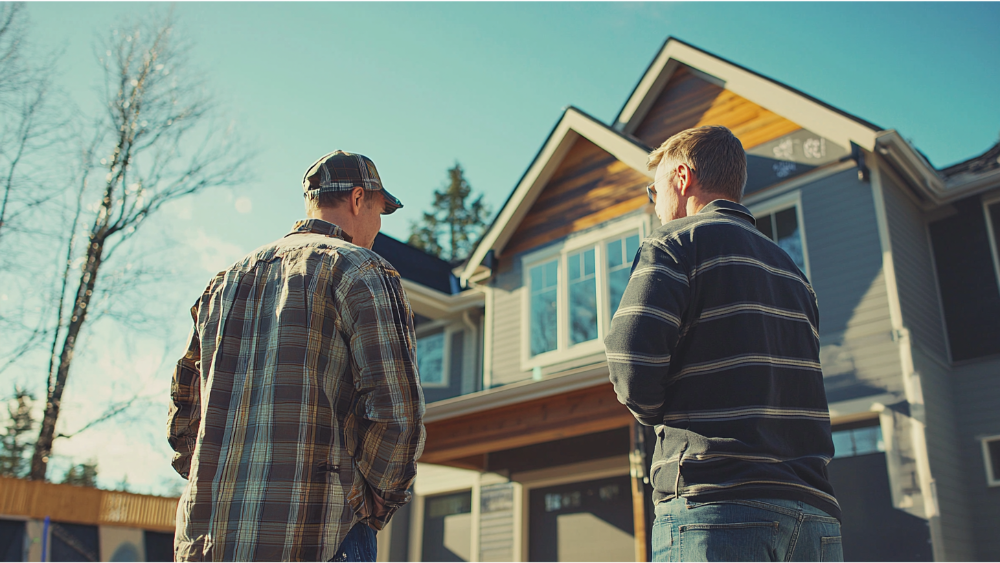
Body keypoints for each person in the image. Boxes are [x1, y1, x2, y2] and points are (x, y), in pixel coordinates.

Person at [168, 151, 425, 563]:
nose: (377, 227)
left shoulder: (223, 284)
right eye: (379, 211)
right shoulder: (361, 270)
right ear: (358, 200)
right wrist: (368, 504)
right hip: (320, 537)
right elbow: (396, 411)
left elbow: (185, 418)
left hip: (208, 543)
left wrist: (216, 482)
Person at [605, 126, 842, 563]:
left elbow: (630, 364)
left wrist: (658, 413)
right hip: (815, 519)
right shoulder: (794, 274)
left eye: (652, 191)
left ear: (681, 177)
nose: (654, 204)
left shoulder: (675, 244)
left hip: (716, 505)